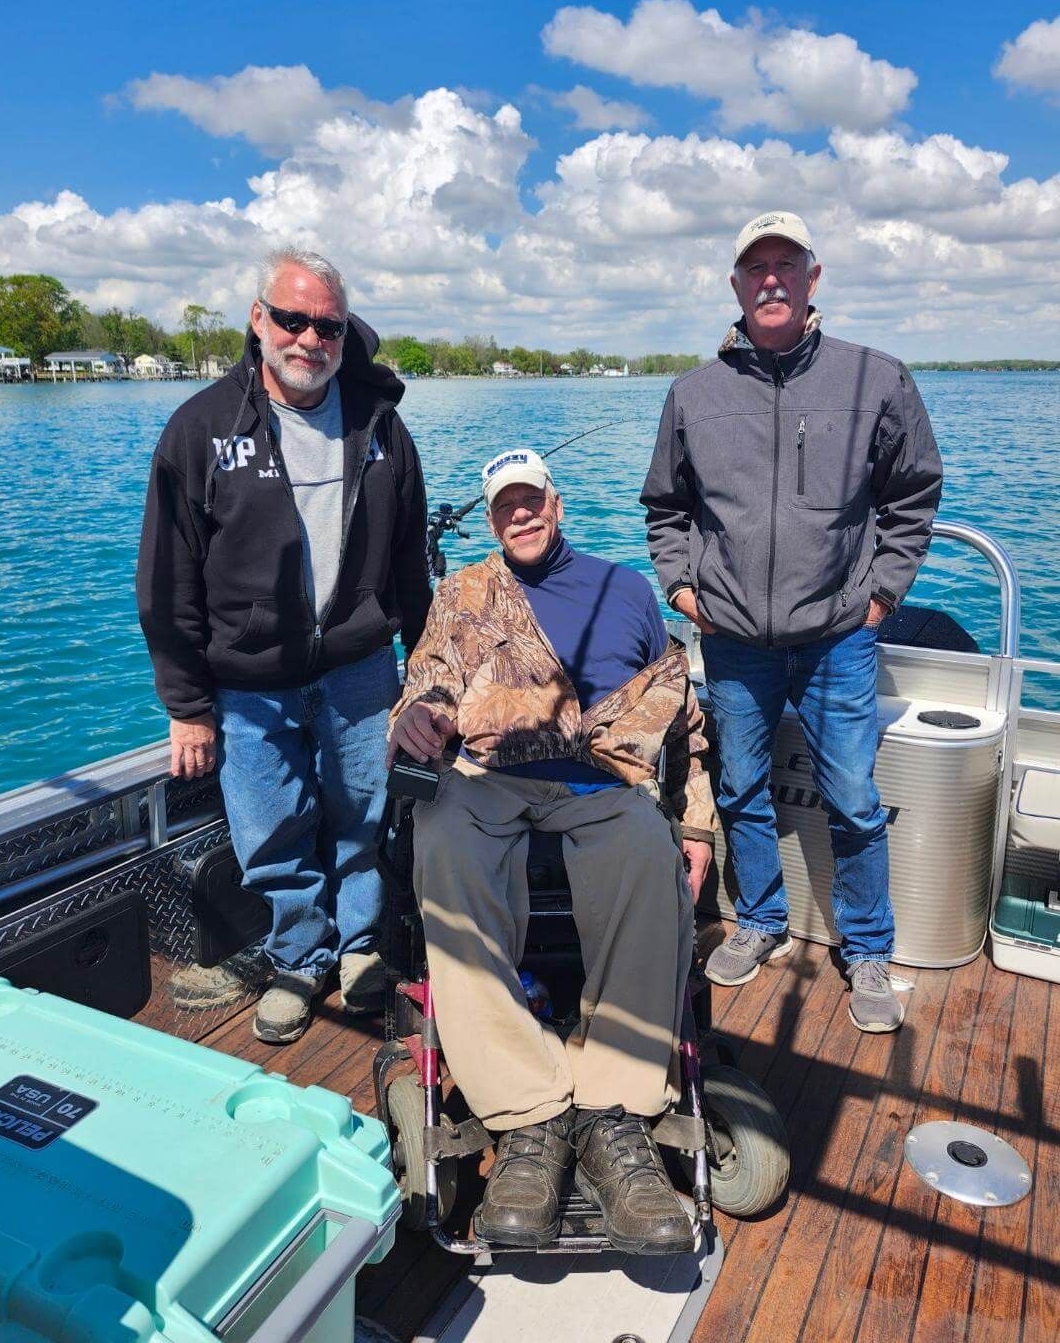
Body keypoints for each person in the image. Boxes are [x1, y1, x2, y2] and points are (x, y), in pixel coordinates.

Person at [388, 447, 718, 1255]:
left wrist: (699, 823)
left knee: (649, 847)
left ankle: (613, 1107)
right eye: (505, 506)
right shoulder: (463, 594)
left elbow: (681, 718)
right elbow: (424, 685)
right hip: (488, 776)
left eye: (532, 501)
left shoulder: (627, 590)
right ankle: (528, 1112)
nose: (521, 515)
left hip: (600, 783)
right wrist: (413, 720)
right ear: (493, 518)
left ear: (558, 505)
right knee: (443, 840)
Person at [642, 210, 943, 1033]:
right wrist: (682, 591)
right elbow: (665, 509)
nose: (770, 277)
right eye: (754, 266)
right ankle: (761, 921)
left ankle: (868, 949)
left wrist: (879, 596)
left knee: (851, 796)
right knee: (740, 788)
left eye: (787, 263)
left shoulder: (874, 379)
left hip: (839, 636)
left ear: (813, 278)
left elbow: (914, 497)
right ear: (735, 285)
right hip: (733, 638)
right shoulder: (692, 394)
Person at [137, 245, 430, 1043]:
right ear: (258, 320)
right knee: (271, 828)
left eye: (327, 325)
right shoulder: (200, 429)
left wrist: (425, 670)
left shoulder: (381, 425)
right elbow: (167, 582)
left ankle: (364, 947)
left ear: (345, 332)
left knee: (365, 817)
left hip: (362, 669)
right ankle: (301, 953)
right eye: (292, 319)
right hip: (248, 684)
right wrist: (188, 707)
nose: (309, 339)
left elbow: (410, 561)